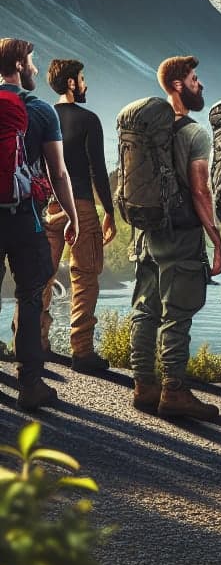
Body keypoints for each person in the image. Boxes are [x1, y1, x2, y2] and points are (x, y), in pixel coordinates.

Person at [130, 56, 221, 420]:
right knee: (177, 313)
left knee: (145, 309)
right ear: (178, 85)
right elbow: (201, 191)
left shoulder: (147, 130)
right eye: (195, 79)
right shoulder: (195, 133)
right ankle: (174, 391)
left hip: (146, 231)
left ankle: (144, 386)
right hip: (180, 235)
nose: (200, 84)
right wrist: (215, 240)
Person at [0, 38, 79, 410]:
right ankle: (30, 385)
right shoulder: (40, 110)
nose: (35, 69)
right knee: (30, 297)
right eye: (31, 62)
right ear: (18, 64)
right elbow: (58, 172)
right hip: (24, 218)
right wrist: (72, 216)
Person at [39, 58, 116, 372]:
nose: (85, 85)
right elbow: (97, 170)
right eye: (82, 79)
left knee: (40, 277)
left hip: (47, 208)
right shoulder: (89, 120)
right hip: (81, 206)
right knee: (85, 278)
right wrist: (109, 211)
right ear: (71, 83)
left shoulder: (41, 117)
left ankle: (32, 344)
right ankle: (81, 352)